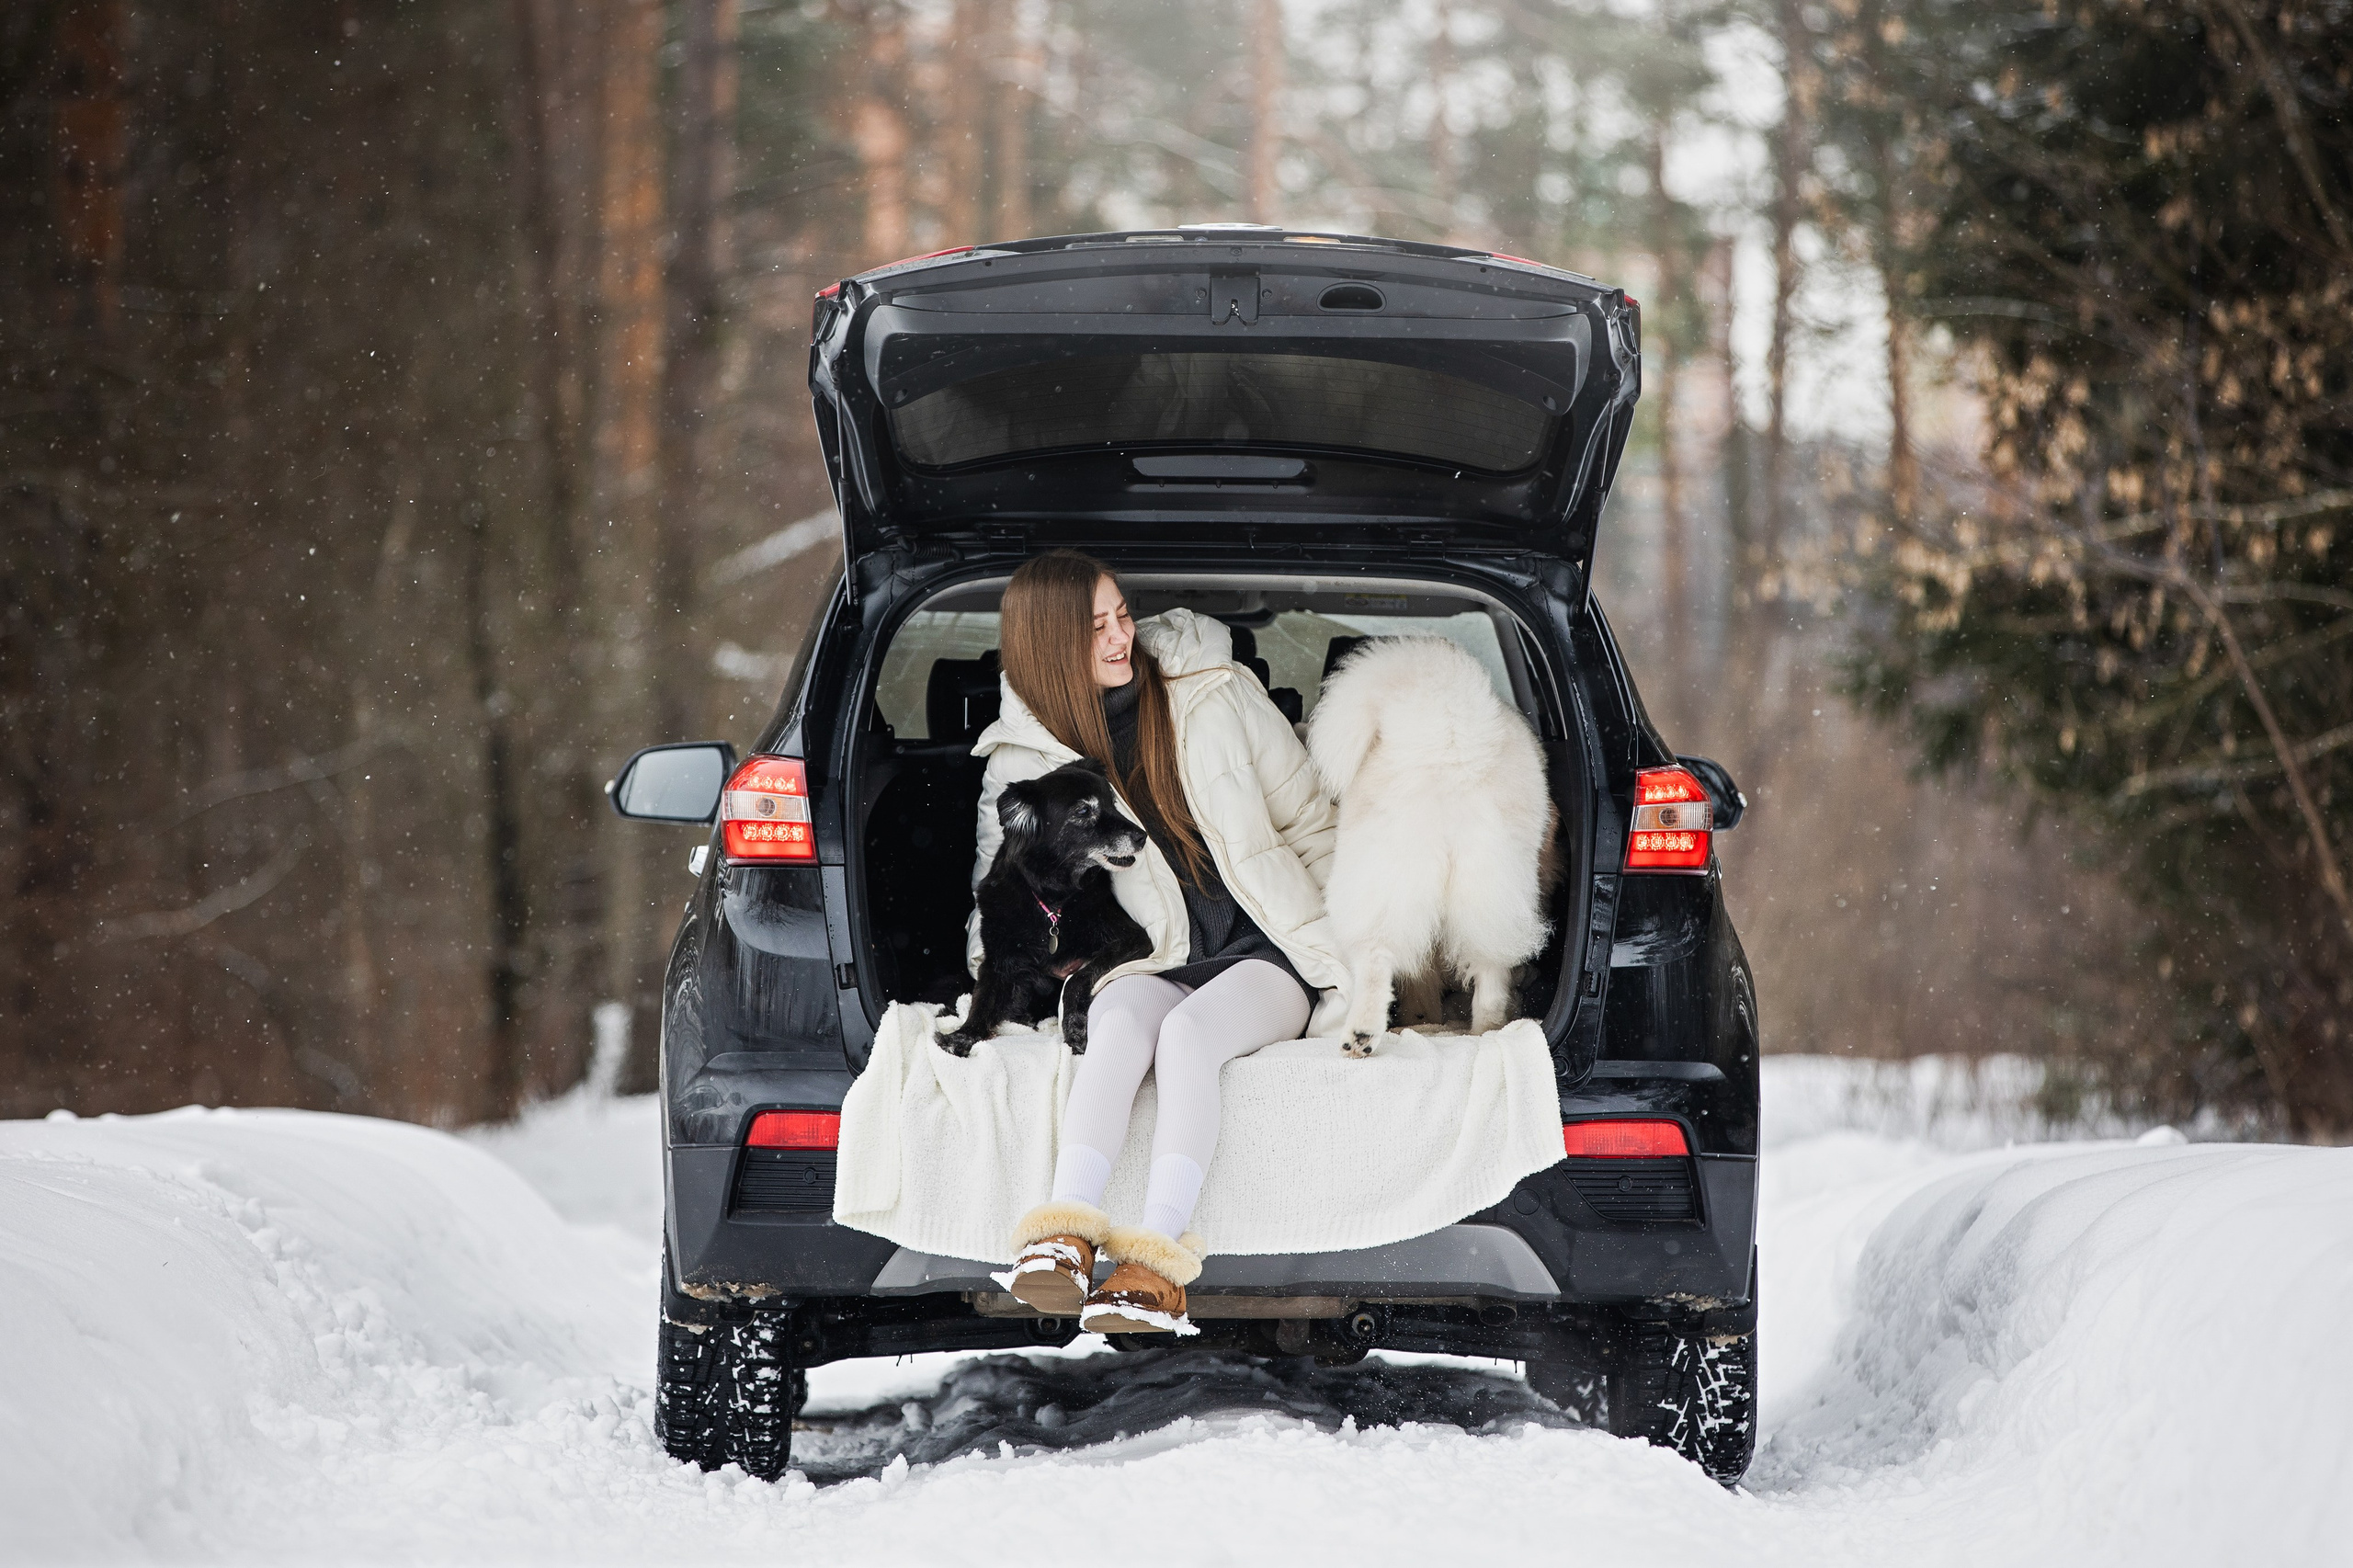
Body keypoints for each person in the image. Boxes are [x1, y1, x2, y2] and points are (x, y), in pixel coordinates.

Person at [967, 551, 1347, 1334]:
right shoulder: (1022, 762)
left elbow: (1314, 823)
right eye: (1095, 629)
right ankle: (1063, 1237)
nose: (1119, 639)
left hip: (1268, 947)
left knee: (1186, 1036)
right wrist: (998, 975)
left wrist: (1350, 955)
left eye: (1122, 617)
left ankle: (1157, 1265)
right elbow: (1000, 887)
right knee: (1114, 1023)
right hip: (1158, 953)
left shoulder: (1215, 691)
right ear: (1048, 649)